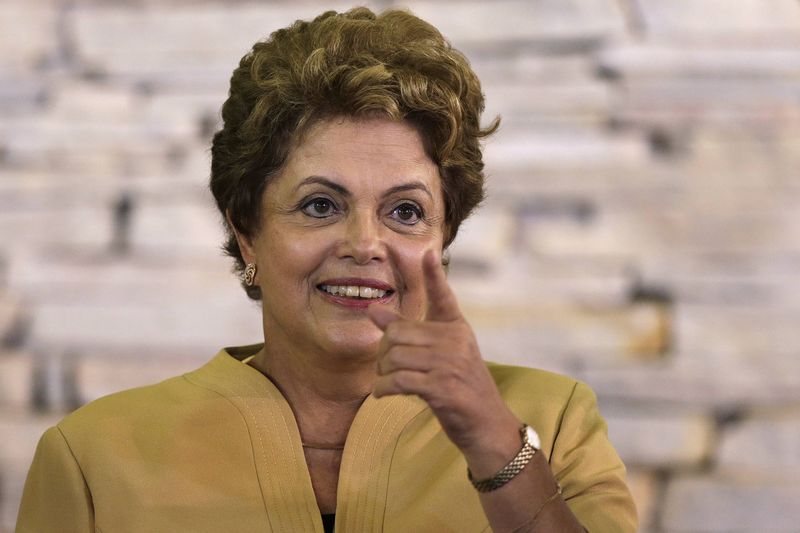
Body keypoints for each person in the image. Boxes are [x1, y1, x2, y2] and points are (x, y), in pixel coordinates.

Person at [16, 7, 637, 532]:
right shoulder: (94, 458)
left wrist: (494, 444)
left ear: (444, 236)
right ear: (245, 228)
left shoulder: (551, 425)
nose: (366, 243)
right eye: (321, 205)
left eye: (405, 211)